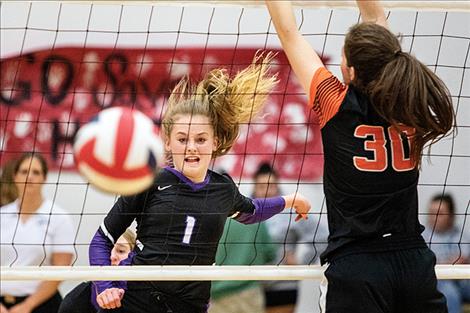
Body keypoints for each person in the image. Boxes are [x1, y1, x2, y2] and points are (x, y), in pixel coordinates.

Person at [266, 1, 455, 312]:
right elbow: (376, 16)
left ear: (350, 71)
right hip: (412, 261)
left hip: (358, 265)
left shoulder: (335, 103)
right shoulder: (410, 102)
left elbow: (288, 33)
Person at [88, 53, 312, 313]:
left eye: (201, 139)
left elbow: (252, 211)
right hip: (141, 300)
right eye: (182, 139)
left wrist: (290, 200)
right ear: (169, 143)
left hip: (191, 304)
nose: (191, 147)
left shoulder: (222, 188)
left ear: (215, 142)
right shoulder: (151, 182)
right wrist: (104, 287)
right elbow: (101, 240)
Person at [0, 152, 75, 313]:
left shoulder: (59, 217)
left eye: (36, 172)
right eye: (24, 171)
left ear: (44, 178)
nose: (29, 177)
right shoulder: (2, 215)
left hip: (42, 305)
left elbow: (60, 269)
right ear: (15, 176)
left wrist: (26, 306)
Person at [253, 163, 300, 313]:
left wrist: (301, 258)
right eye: (261, 186)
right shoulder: (244, 213)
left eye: (271, 185)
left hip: (283, 283)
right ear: (254, 187)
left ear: (278, 186)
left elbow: (321, 235)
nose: (266, 191)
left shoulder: (293, 210)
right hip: (250, 285)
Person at [58, 228, 137, 313]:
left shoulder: (145, 295)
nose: (112, 256)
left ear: (134, 255)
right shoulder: (73, 303)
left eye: (121, 251)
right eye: (106, 251)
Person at [209, 217, 276, 313]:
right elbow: (270, 254)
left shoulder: (212, 217)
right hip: (249, 293)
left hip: (217, 295)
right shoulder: (256, 215)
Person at [423, 194, 470, 313]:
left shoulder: (458, 235)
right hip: (436, 282)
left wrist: (439, 263)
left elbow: (461, 259)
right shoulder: (423, 236)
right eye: (431, 213)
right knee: (450, 293)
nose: (434, 217)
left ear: (451, 216)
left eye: (439, 213)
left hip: (460, 281)